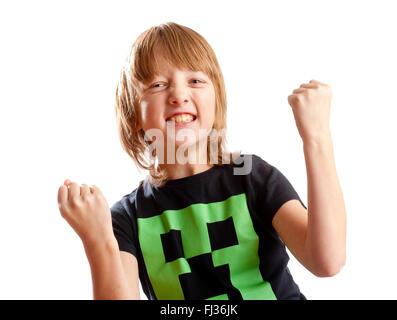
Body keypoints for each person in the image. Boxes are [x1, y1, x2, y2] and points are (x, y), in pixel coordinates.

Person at [57, 22, 346, 300]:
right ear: (134, 116)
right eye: (157, 85)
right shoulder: (127, 218)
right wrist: (99, 241)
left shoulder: (253, 177)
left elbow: (327, 261)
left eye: (195, 80)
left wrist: (317, 137)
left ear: (216, 101)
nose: (179, 95)